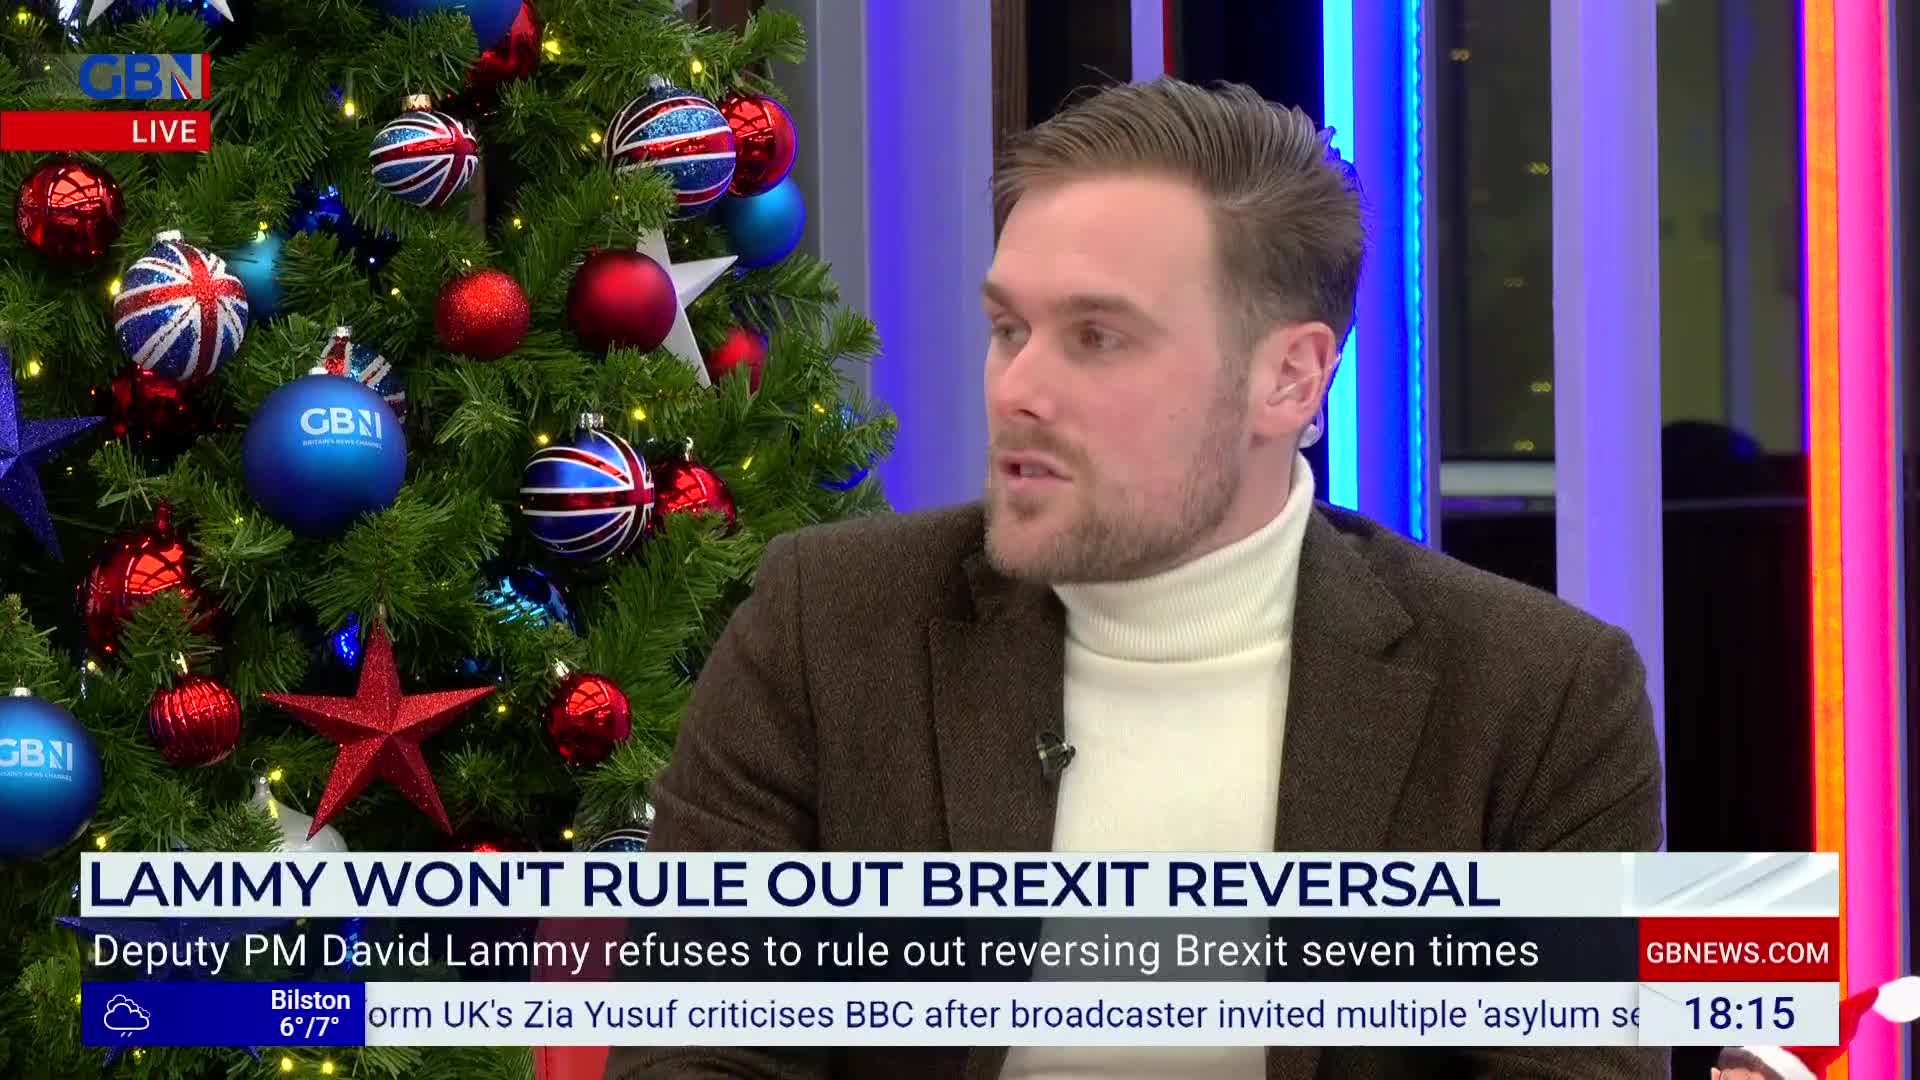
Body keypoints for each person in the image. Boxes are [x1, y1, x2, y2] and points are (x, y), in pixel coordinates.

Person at [607, 78, 1664, 1079]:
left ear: (1289, 379)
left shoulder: (1537, 697)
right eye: (1008, 329)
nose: (1018, 388)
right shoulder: (827, 628)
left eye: (1097, 338)